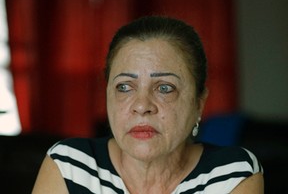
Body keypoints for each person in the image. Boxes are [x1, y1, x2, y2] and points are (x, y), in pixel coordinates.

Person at [32, 16, 264, 194]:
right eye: (124, 87)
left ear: (199, 103)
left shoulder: (233, 174)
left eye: (164, 88)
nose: (142, 106)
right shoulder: (69, 165)